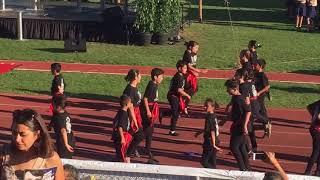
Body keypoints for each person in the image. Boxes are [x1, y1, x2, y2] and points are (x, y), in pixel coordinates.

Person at [0, 109, 65, 179]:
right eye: (14, 133)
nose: (17, 139)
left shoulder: (51, 158)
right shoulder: (3, 154)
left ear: (37, 134)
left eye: (23, 134)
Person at [225, 79, 251, 171]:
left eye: (228, 88)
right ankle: (247, 168)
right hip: (237, 124)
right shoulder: (235, 98)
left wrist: (244, 125)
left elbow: (248, 111)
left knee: (234, 147)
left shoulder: (239, 99)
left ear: (235, 88)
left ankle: (243, 168)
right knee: (242, 147)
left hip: (239, 126)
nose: (227, 90)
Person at [140, 68, 164, 160]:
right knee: (147, 130)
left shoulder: (155, 84)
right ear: (155, 77)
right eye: (161, 77)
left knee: (149, 130)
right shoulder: (152, 85)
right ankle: (134, 146)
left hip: (151, 109)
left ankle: (147, 149)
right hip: (147, 110)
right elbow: (145, 98)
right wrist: (148, 111)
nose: (162, 78)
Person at [181, 41, 207, 116]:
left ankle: (184, 102)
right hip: (187, 75)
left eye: (198, 48)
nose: (197, 49)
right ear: (190, 47)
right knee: (192, 89)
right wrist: (199, 71)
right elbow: (188, 66)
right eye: (196, 47)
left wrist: (195, 71)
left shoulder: (193, 53)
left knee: (193, 89)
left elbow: (193, 64)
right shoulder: (187, 54)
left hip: (192, 74)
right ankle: (183, 104)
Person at [123, 69, 144, 158]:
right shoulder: (130, 89)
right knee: (139, 134)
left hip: (136, 113)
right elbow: (130, 106)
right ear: (135, 77)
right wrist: (134, 121)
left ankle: (132, 150)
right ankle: (127, 153)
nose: (141, 77)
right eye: (140, 75)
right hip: (131, 115)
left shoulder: (134, 87)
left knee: (136, 134)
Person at [195, 98, 222, 169]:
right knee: (212, 161)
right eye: (204, 105)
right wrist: (200, 132)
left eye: (206, 106)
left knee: (204, 161)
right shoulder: (213, 115)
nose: (204, 107)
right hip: (215, 140)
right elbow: (212, 128)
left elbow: (212, 131)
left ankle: (214, 173)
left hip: (210, 141)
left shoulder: (209, 117)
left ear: (212, 107)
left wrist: (213, 144)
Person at [167, 60, 190, 136]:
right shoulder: (178, 77)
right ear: (179, 68)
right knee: (175, 113)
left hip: (176, 96)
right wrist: (187, 95)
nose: (186, 69)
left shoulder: (181, 76)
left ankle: (163, 113)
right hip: (173, 96)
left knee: (177, 111)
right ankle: (172, 130)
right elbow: (179, 90)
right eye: (185, 68)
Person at [111, 95, 133, 163]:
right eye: (130, 103)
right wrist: (122, 137)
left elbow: (115, 122)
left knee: (119, 152)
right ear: (126, 104)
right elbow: (120, 126)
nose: (131, 104)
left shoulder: (120, 111)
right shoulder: (123, 114)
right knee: (121, 153)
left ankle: (118, 159)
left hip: (117, 135)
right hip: (120, 135)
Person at [254, 58, 271, 137]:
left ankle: (267, 123)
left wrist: (259, 93)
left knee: (257, 111)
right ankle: (266, 125)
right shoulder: (255, 73)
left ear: (260, 66)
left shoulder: (262, 75)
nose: (254, 65)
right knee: (262, 111)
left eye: (256, 64)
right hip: (255, 95)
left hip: (259, 96)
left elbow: (267, 86)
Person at [305, 100, 320, 176]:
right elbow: (309, 107)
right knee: (316, 152)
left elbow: (309, 107)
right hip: (317, 130)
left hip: (316, 129)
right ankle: (307, 172)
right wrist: (315, 116)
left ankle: (318, 171)